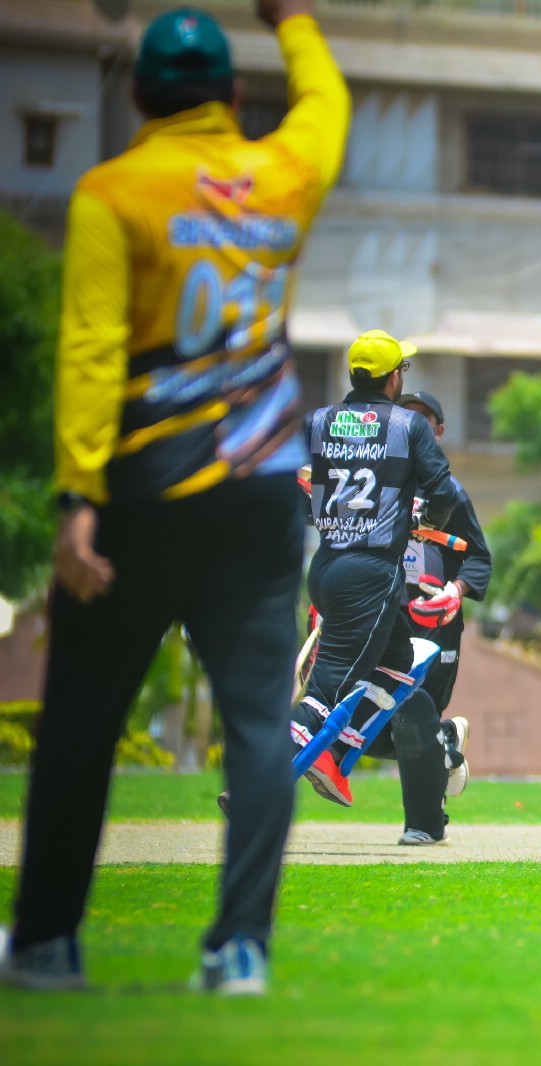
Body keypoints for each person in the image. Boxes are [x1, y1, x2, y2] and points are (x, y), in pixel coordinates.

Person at [0, 1, 349, 995]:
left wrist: (77, 495)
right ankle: (239, 949)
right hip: (264, 494)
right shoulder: (283, 175)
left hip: (141, 499)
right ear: (232, 96)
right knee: (258, 728)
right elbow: (326, 101)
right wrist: (294, 19)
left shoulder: (113, 191)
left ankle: (45, 943)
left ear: (141, 96)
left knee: (79, 721)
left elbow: (92, 350)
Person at [290, 332, 466, 841]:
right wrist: (425, 520)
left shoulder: (318, 421)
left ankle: (338, 754)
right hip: (371, 574)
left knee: (401, 660)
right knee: (327, 687)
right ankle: (259, 782)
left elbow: (284, 478)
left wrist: (317, 514)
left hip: (326, 567)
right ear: (393, 377)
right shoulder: (409, 426)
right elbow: (444, 492)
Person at [392, 389, 494, 843]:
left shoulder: (448, 492)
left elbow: (478, 556)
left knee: (420, 710)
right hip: (385, 613)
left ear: (438, 431)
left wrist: (455, 591)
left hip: (435, 620)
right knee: (392, 717)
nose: (413, 428)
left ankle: (426, 820)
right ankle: (446, 740)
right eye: (405, 419)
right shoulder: (378, 483)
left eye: (423, 421)